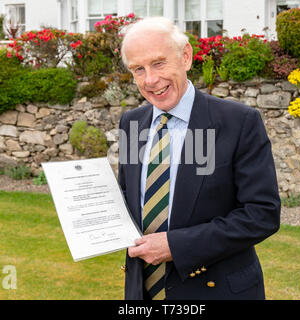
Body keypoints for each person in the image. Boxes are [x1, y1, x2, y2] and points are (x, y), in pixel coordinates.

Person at [118, 17, 280, 300]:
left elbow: (262, 214)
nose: (150, 80)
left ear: (186, 57)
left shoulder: (239, 122)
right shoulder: (132, 123)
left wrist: (176, 245)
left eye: (158, 63)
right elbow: (128, 198)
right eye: (138, 69)